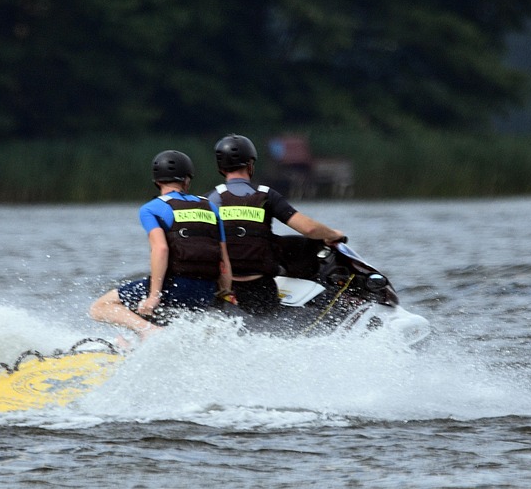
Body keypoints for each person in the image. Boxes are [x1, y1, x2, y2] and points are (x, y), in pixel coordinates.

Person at [89, 150, 234, 338]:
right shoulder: (210, 207)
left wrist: (154, 295)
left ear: (157, 181)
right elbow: (224, 258)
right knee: (144, 308)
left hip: (174, 288)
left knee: (100, 307)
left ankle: (149, 332)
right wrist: (225, 292)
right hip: (205, 291)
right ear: (187, 180)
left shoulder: (151, 209)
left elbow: (161, 248)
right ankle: (139, 342)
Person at [208, 133, 347, 316]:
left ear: (221, 167)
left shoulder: (211, 199)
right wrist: (332, 234)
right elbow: (309, 229)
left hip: (223, 288)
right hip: (260, 286)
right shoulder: (266, 195)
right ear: (251, 164)